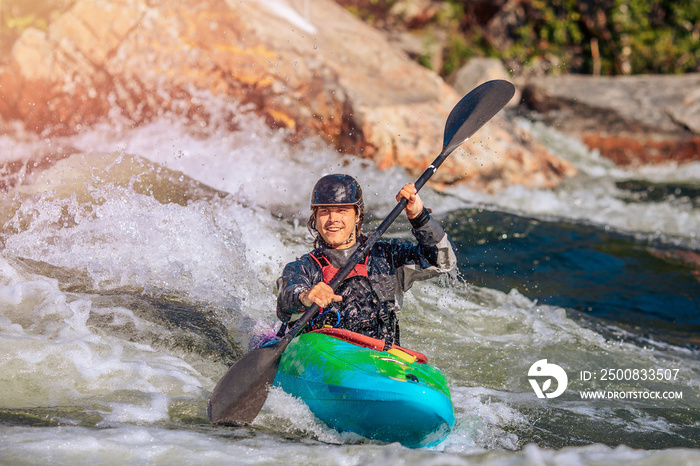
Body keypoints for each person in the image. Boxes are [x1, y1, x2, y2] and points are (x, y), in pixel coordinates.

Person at [276, 174, 456, 345]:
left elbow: (443, 262)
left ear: (357, 215)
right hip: (325, 361)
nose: (333, 219)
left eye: (342, 210)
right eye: (324, 211)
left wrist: (419, 217)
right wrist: (305, 296)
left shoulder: (387, 257)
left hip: (379, 360)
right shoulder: (303, 268)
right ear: (315, 217)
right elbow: (285, 303)